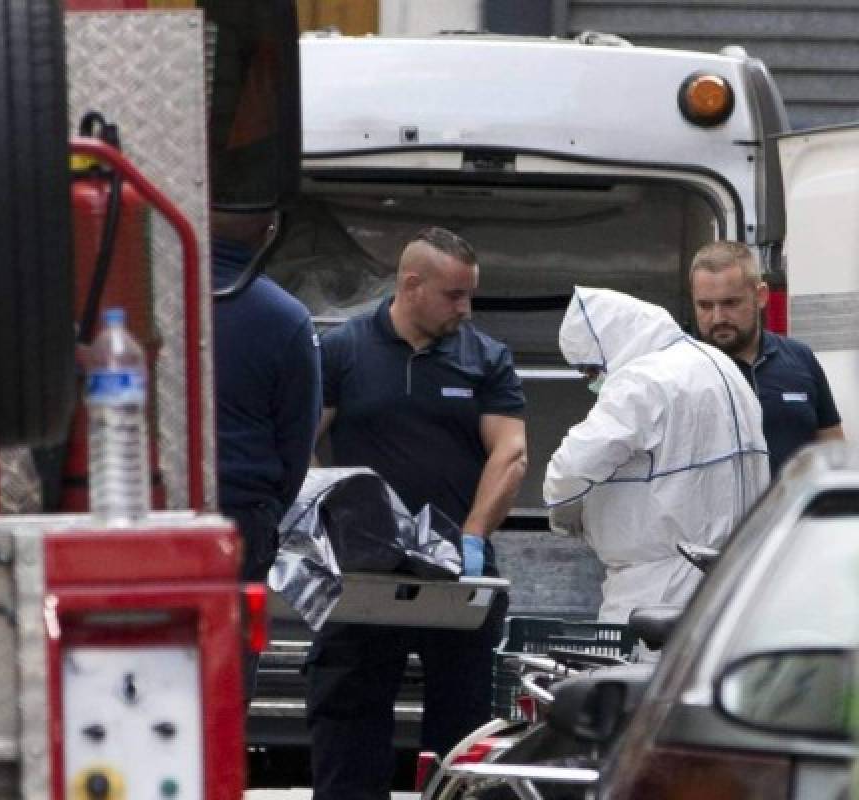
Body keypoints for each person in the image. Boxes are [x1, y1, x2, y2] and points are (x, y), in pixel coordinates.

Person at [307, 227, 526, 800]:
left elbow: (511, 453)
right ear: (411, 285)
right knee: (347, 721)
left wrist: (474, 536)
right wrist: (319, 520)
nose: (466, 308)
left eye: (469, 294)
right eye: (454, 294)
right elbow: (301, 442)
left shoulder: (485, 358)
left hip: (457, 574)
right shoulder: (345, 351)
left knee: (466, 731)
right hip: (362, 574)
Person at [543, 287, 769, 623]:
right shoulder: (720, 365)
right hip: (736, 576)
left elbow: (572, 467)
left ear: (610, 344)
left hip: (657, 586)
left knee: (641, 674)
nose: (593, 382)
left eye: (592, 371)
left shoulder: (641, 380)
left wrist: (563, 513)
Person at [211, 209, 321, 699]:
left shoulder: (139, 300)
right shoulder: (287, 319)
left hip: (140, 514)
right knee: (227, 676)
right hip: (240, 522)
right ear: (271, 230)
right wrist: (267, 511)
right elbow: (297, 442)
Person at [689, 240, 845, 475]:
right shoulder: (680, 372)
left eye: (730, 303)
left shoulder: (800, 359)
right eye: (705, 306)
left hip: (790, 511)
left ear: (761, 296)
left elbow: (834, 450)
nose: (717, 317)